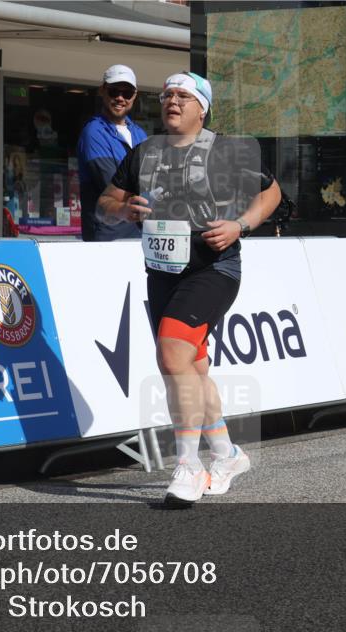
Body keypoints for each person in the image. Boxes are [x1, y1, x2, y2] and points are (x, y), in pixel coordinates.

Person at [98, 72, 281, 505]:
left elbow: (272, 194)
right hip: (162, 271)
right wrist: (124, 209)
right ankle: (226, 453)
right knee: (191, 367)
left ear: (203, 108)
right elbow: (105, 202)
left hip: (214, 269)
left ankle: (187, 465)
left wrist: (239, 225)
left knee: (172, 352)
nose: (172, 102)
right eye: (166, 96)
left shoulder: (229, 151)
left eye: (182, 96)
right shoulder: (144, 153)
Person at [77, 65, 148, 241]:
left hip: (139, 234)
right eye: (114, 91)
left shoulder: (139, 133)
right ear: (102, 91)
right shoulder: (93, 132)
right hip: (106, 237)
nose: (120, 98)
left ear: (135, 95)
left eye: (127, 93)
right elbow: (113, 187)